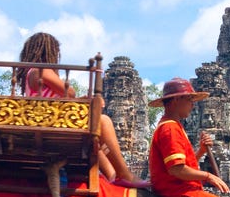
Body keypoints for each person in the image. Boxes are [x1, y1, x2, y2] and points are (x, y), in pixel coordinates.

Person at [16, 32, 143, 186]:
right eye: (55, 52)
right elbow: (69, 92)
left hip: (49, 120)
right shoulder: (41, 70)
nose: (56, 57)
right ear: (47, 51)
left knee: (95, 137)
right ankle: (124, 174)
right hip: (51, 124)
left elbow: (63, 99)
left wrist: (83, 100)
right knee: (102, 121)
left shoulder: (32, 74)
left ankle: (113, 176)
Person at [148, 78, 230, 197]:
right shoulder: (170, 128)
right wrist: (208, 176)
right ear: (177, 99)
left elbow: (182, 166)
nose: (193, 104)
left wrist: (201, 151)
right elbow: (176, 169)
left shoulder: (173, 126)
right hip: (180, 194)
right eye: (190, 99)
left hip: (181, 191)